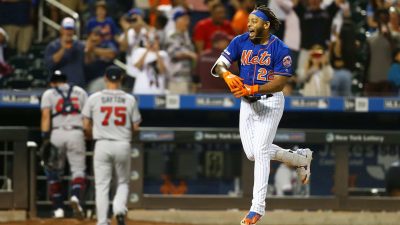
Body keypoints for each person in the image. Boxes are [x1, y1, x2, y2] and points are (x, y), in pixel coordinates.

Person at [211, 4, 313, 225]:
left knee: (262, 151)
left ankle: (257, 208)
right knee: (253, 154)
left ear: (266, 25)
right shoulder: (239, 41)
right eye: (249, 20)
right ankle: (301, 159)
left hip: (271, 102)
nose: (249, 24)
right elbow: (219, 65)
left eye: (254, 21)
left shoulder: (280, 48)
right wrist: (227, 75)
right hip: (247, 104)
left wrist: (252, 89)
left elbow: (280, 82)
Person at [82, 66, 141, 225]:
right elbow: (136, 127)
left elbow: (86, 125)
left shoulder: (94, 98)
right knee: (122, 182)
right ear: (121, 78)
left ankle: (102, 221)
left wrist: (89, 135)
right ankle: (119, 209)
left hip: (101, 144)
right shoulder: (129, 99)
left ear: (105, 79)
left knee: (102, 185)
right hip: (122, 143)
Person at [40, 70, 87, 219]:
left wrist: (45, 138)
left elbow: (46, 116)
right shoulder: (80, 92)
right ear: (65, 80)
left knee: (54, 172)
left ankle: (58, 209)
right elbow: (86, 116)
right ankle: (75, 197)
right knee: (78, 170)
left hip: (57, 133)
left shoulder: (49, 93)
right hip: (76, 132)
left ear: (53, 81)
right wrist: (87, 133)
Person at [44, 17, 86, 87]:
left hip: (77, 86)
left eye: (70, 29)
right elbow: (49, 64)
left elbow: (87, 64)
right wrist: (63, 48)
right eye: (66, 29)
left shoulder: (80, 46)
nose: (68, 32)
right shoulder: (53, 46)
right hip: (58, 86)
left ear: (74, 31)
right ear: (61, 30)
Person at [165, 9, 197, 94]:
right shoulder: (172, 35)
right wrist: (190, 54)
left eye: (188, 19)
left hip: (187, 79)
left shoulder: (186, 37)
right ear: (177, 21)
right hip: (176, 80)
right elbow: (174, 54)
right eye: (185, 19)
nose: (188, 22)